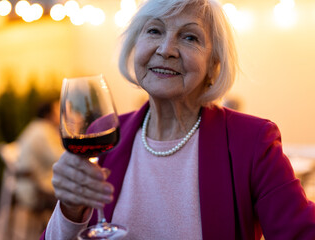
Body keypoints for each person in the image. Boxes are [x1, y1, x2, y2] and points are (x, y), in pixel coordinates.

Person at [42, 0, 315, 239]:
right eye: (154, 31)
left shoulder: (253, 142)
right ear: (136, 45)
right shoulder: (103, 135)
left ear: (213, 65)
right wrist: (70, 207)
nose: (166, 49)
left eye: (190, 38)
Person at [16, 98, 64, 211]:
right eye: (57, 110)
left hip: (27, 185)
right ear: (49, 114)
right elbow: (58, 158)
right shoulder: (43, 131)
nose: (61, 114)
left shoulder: (35, 127)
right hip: (36, 189)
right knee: (78, 191)